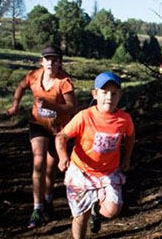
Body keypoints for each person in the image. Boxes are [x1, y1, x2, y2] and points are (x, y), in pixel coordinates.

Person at [55, 71, 135, 239]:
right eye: (104, 92)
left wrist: (127, 158)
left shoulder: (124, 119)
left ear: (120, 95)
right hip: (81, 171)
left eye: (114, 94)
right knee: (80, 216)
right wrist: (63, 157)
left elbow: (130, 136)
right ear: (95, 94)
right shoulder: (85, 116)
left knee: (112, 210)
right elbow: (61, 136)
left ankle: (96, 211)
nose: (109, 97)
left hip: (108, 172)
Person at [6, 45, 77, 228]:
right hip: (38, 125)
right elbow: (21, 86)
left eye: (55, 60)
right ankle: (37, 209)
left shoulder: (64, 81)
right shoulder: (34, 76)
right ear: (41, 61)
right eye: (47, 59)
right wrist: (15, 106)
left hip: (59, 129)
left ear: (60, 63)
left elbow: (72, 107)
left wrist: (51, 106)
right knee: (38, 162)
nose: (51, 63)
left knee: (50, 168)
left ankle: (48, 199)